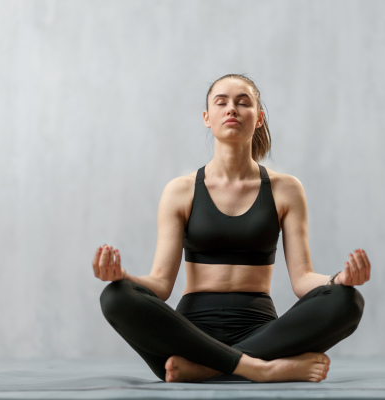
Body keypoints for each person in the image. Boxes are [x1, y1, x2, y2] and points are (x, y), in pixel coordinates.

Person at [94, 73, 370, 383]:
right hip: (189, 334)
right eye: (221, 102)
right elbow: (160, 283)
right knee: (115, 297)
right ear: (206, 118)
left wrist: (339, 279)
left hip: (260, 330)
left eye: (243, 102)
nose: (231, 109)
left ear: (259, 117)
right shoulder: (181, 190)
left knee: (348, 300)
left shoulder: (285, 189)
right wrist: (122, 278)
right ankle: (260, 369)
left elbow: (303, 278)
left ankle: (208, 369)